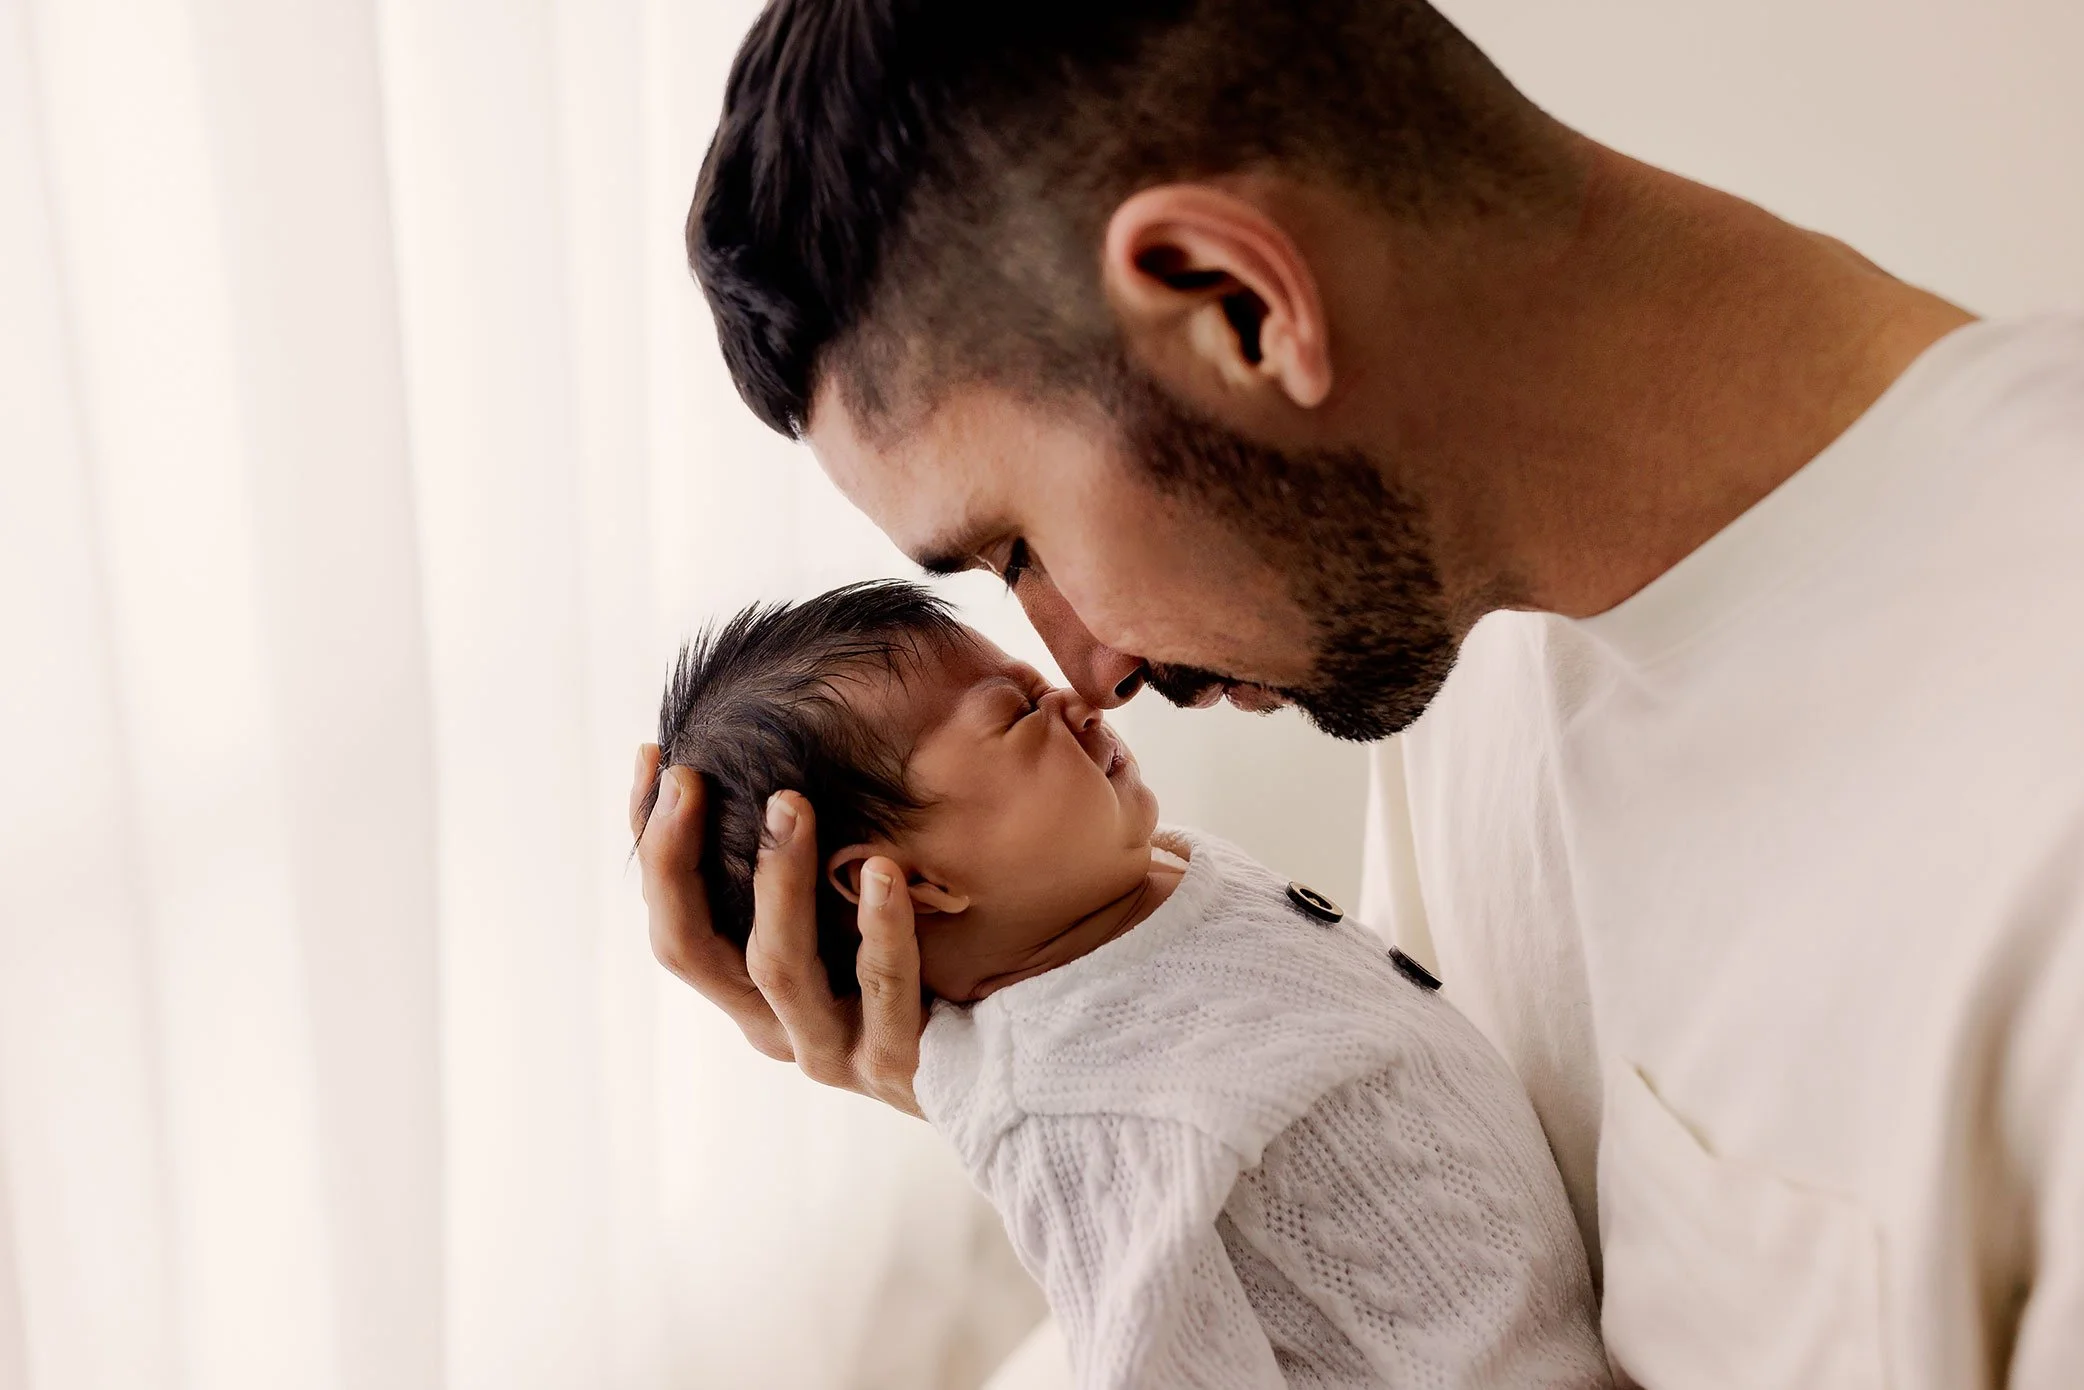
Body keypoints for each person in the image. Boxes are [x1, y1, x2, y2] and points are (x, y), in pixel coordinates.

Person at [631, 2, 2084, 1384]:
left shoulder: (2037, 802)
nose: (1088, 667)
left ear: (1239, 302)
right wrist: (1007, 1066)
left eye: (1023, 547)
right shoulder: (1458, 628)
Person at [642, 580, 1609, 1388]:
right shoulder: (1072, 1112)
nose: (1080, 697)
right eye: (1016, 712)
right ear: (912, 882)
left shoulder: (1140, 886)